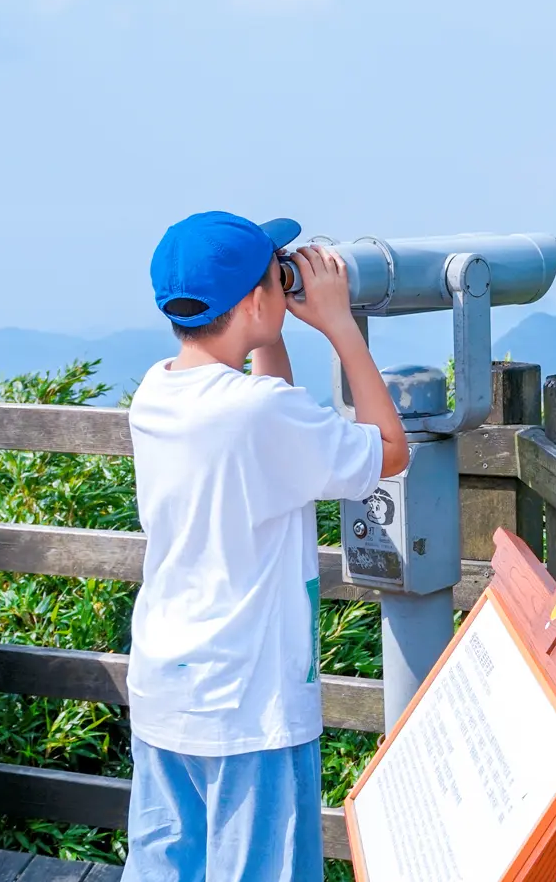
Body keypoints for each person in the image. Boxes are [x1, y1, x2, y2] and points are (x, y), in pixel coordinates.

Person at [123, 211, 409, 882]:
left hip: (168, 688)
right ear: (255, 299)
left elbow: (266, 409)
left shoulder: (156, 390)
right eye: (276, 275)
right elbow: (388, 451)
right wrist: (339, 326)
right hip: (249, 704)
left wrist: (272, 328)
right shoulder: (259, 415)